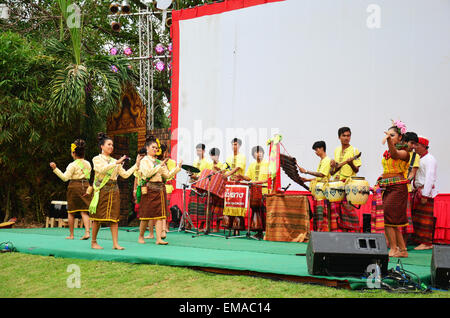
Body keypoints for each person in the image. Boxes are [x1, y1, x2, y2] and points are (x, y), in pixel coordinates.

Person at [89, 132, 142, 250]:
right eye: (108, 144)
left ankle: (115, 244)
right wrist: (116, 163)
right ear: (102, 146)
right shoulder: (97, 159)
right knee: (98, 218)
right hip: (102, 190)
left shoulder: (115, 161)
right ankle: (93, 242)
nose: (111, 147)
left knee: (114, 218)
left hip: (114, 190)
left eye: (112, 145)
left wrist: (136, 165)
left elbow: (125, 175)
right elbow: (101, 170)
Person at [137, 136, 182, 245]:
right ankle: (141, 236)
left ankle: (158, 239)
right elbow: (147, 173)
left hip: (160, 189)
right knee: (145, 215)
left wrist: (177, 168)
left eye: (156, 148)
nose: (155, 149)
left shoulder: (158, 161)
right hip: (149, 189)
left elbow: (167, 175)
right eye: (153, 147)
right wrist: (159, 165)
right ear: (147, 148)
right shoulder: (144, 161)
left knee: (159, 215)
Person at [377, 121, 410, 257]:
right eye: (388, 135)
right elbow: (387, 167)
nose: (389, 137)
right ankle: (402, 250)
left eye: (392, 135)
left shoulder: (405, 152)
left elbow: (395, 154)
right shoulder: (388, 152)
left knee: (388, 218)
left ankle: (394, 248)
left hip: (398, 188)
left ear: (400, 137)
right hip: (388, 186)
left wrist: (389, 141)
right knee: (391, 219)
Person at [50, 139, 92, 240]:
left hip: (75, 187)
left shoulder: (72, 165)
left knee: (71, 212)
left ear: (74, 153)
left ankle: (71, 235)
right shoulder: (88, 164)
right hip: (86, 186)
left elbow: (65, 178)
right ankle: (87, 232)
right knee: (84, 211)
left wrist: (55, 169)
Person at [329, 127, 362, 232]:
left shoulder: (354, 150)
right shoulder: (336, 150)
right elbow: (333, 171)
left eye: (348, 135)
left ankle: (353, 231)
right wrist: (333, 165)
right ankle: (338, 232)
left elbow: (356, 170)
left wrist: (351, 163)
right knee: (336, 209)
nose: (346, 138)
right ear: (339, 137)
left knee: (348, 208)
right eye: (344, 135)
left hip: (348, 183)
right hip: (336, 183)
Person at [299, 141, 334, 232]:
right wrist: (307, 180)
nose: (316, 152)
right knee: (318, 213)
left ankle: (321, 232)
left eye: (316, 150)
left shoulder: (327, 160)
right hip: (319, 191)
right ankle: (318, 231)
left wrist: (306, 171)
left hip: (322, 191)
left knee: (321, 213)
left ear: (322, 148)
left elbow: (322, 175)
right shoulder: (322, 160)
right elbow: (320, 177)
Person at [412, 136, 438, 250]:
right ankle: (419, 240)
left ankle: (427, 243)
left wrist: (425, 195)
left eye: (417, 145)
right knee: (418, 217)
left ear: (423, 146)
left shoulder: (430, 159)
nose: (414, 147)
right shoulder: (419, 158)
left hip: (424, 192)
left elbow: (430, 178)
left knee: (425, 218)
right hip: (418, 191)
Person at [241, 146, 269, 239]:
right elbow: (249, 177)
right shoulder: (252, 165)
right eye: (257, 152)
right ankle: (259, 231)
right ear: (253, 155)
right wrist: (242, 177)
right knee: (256, 212)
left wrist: (256, 182)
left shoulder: (268, 164)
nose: (259, 154)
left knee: (264, 213)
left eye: (260, 152)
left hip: (264, 192)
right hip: (255, 192)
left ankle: (266, 232)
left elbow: (268, 179)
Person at [224, 138, 247, 233]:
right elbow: (225, 169)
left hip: (239, 184)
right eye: (233, 144)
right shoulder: (229, 158)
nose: (234, 146)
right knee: (230, 205)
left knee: (238, 205)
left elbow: (237, 168)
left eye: (236, 144)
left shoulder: (242, 156)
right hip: (230, 184)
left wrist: (228, 174)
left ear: (239, 146)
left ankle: (237, 228)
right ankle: (229, 226)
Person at [402, 132, 421, 242]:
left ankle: (403, 245)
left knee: (406, 218)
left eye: (415, 144)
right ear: (405, 142)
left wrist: (403, 182)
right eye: (412, 143)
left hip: (406, 189)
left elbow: (412, 174)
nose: (414, 146)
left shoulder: (415, 156)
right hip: (395, 189)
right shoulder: (398, 152)